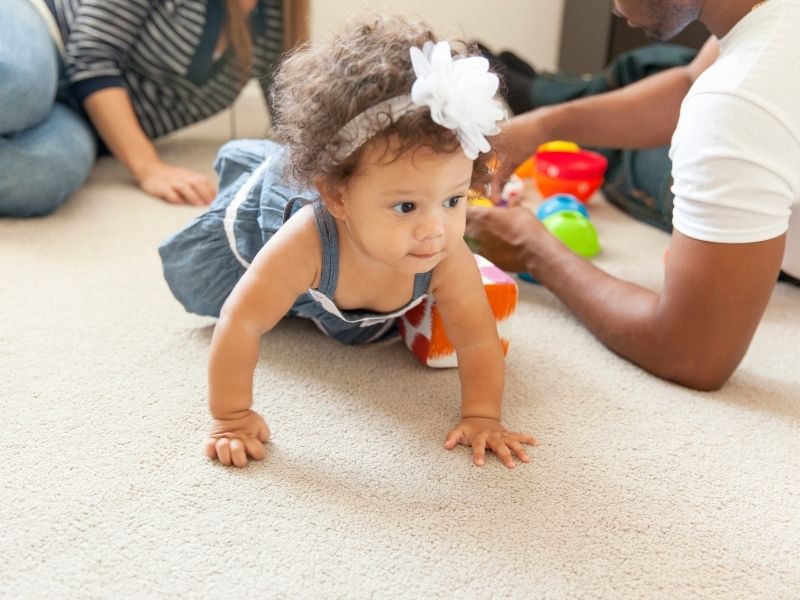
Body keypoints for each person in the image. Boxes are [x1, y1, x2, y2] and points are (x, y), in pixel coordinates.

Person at [158, 15, 537, 468]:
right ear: (337, 196)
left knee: (361, 325)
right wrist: (232, 417)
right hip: (263, 230)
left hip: (354, 282)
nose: (436, 230)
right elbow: (240, 322)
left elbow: (476, 339)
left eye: (454, 200)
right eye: (406, 207)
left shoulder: (445, 256)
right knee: (241, 298)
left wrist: (483, 415)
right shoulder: (304, 242)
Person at [466, 0, 800, 391]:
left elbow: (692, 352)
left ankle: (537, 88)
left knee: (632, 158)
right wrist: (541, 127)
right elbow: (689, 82)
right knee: (654, 66)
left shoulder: (736, 100)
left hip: (737, 125)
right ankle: (539, 94)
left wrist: (530, 248)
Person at [0, 0, 288, 217]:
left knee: (49, 173)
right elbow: (92, 53)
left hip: (81, 118)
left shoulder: (275, 16)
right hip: (44, 27)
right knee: (21, 88)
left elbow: (292, 111)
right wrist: (147, 166)